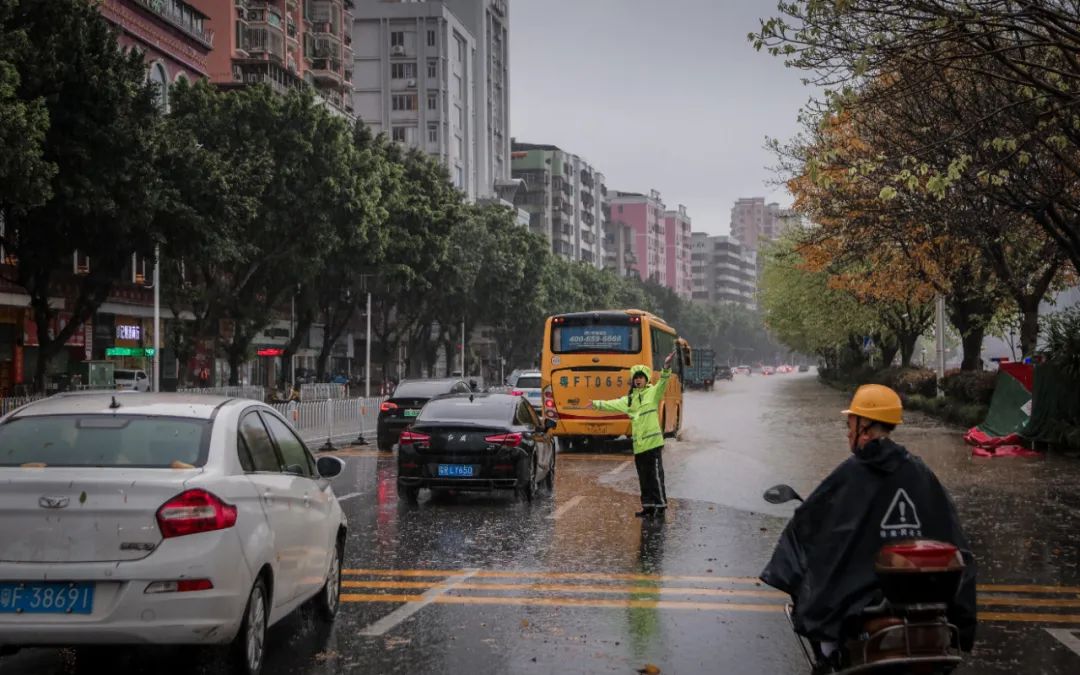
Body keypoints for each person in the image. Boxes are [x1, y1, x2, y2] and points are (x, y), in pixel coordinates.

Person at [760, 384, 977, 669]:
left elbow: (810, 528)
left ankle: (827, 660)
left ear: (864, 427)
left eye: (849, 425)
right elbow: (954, 537)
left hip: (859, 603)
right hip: (927, 613)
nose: (848, 432)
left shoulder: (850, 475)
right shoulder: (921, 473)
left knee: (824, 630)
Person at [590, 351, 675, 518]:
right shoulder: (630, 399)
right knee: (643, 478)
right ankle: (648, 506)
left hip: (653, 445)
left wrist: (666, 366)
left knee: (655, 477)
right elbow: (612, 404)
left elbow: (664, 381)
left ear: (646, 379)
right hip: (639, 446)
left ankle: (660, 505)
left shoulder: (653, 393)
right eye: (636, 378)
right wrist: (595, 404)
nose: (638, 380)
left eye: (641, 377)